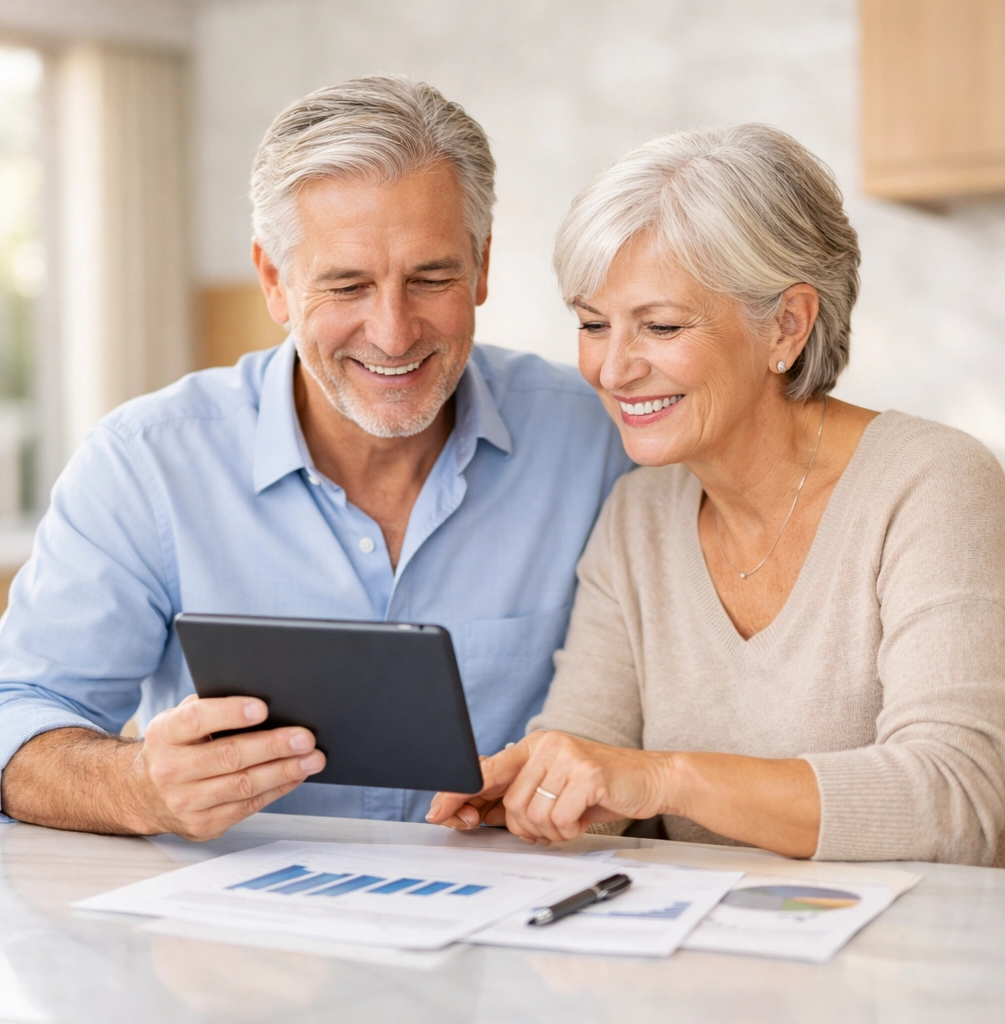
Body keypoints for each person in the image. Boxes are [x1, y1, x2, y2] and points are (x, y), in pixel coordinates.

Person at [0, 77, 630, 840]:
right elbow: (6, 719)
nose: (392, 334)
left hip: (512, 930)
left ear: (482, 268)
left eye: (431, 278)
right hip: (241, 941)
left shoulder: (599, 443)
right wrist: (138, 787)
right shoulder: (146, 464)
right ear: (274, 281)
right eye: (347, 284)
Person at [429, 124, 1005, 866]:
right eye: (593, 325)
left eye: (661, 326)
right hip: (698, 968)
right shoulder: (637, 515)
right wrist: (540, 791)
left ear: (787, 327)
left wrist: (665, 778)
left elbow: (962, 800)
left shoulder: (932, 484)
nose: (613, 368)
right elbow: (600, 772)